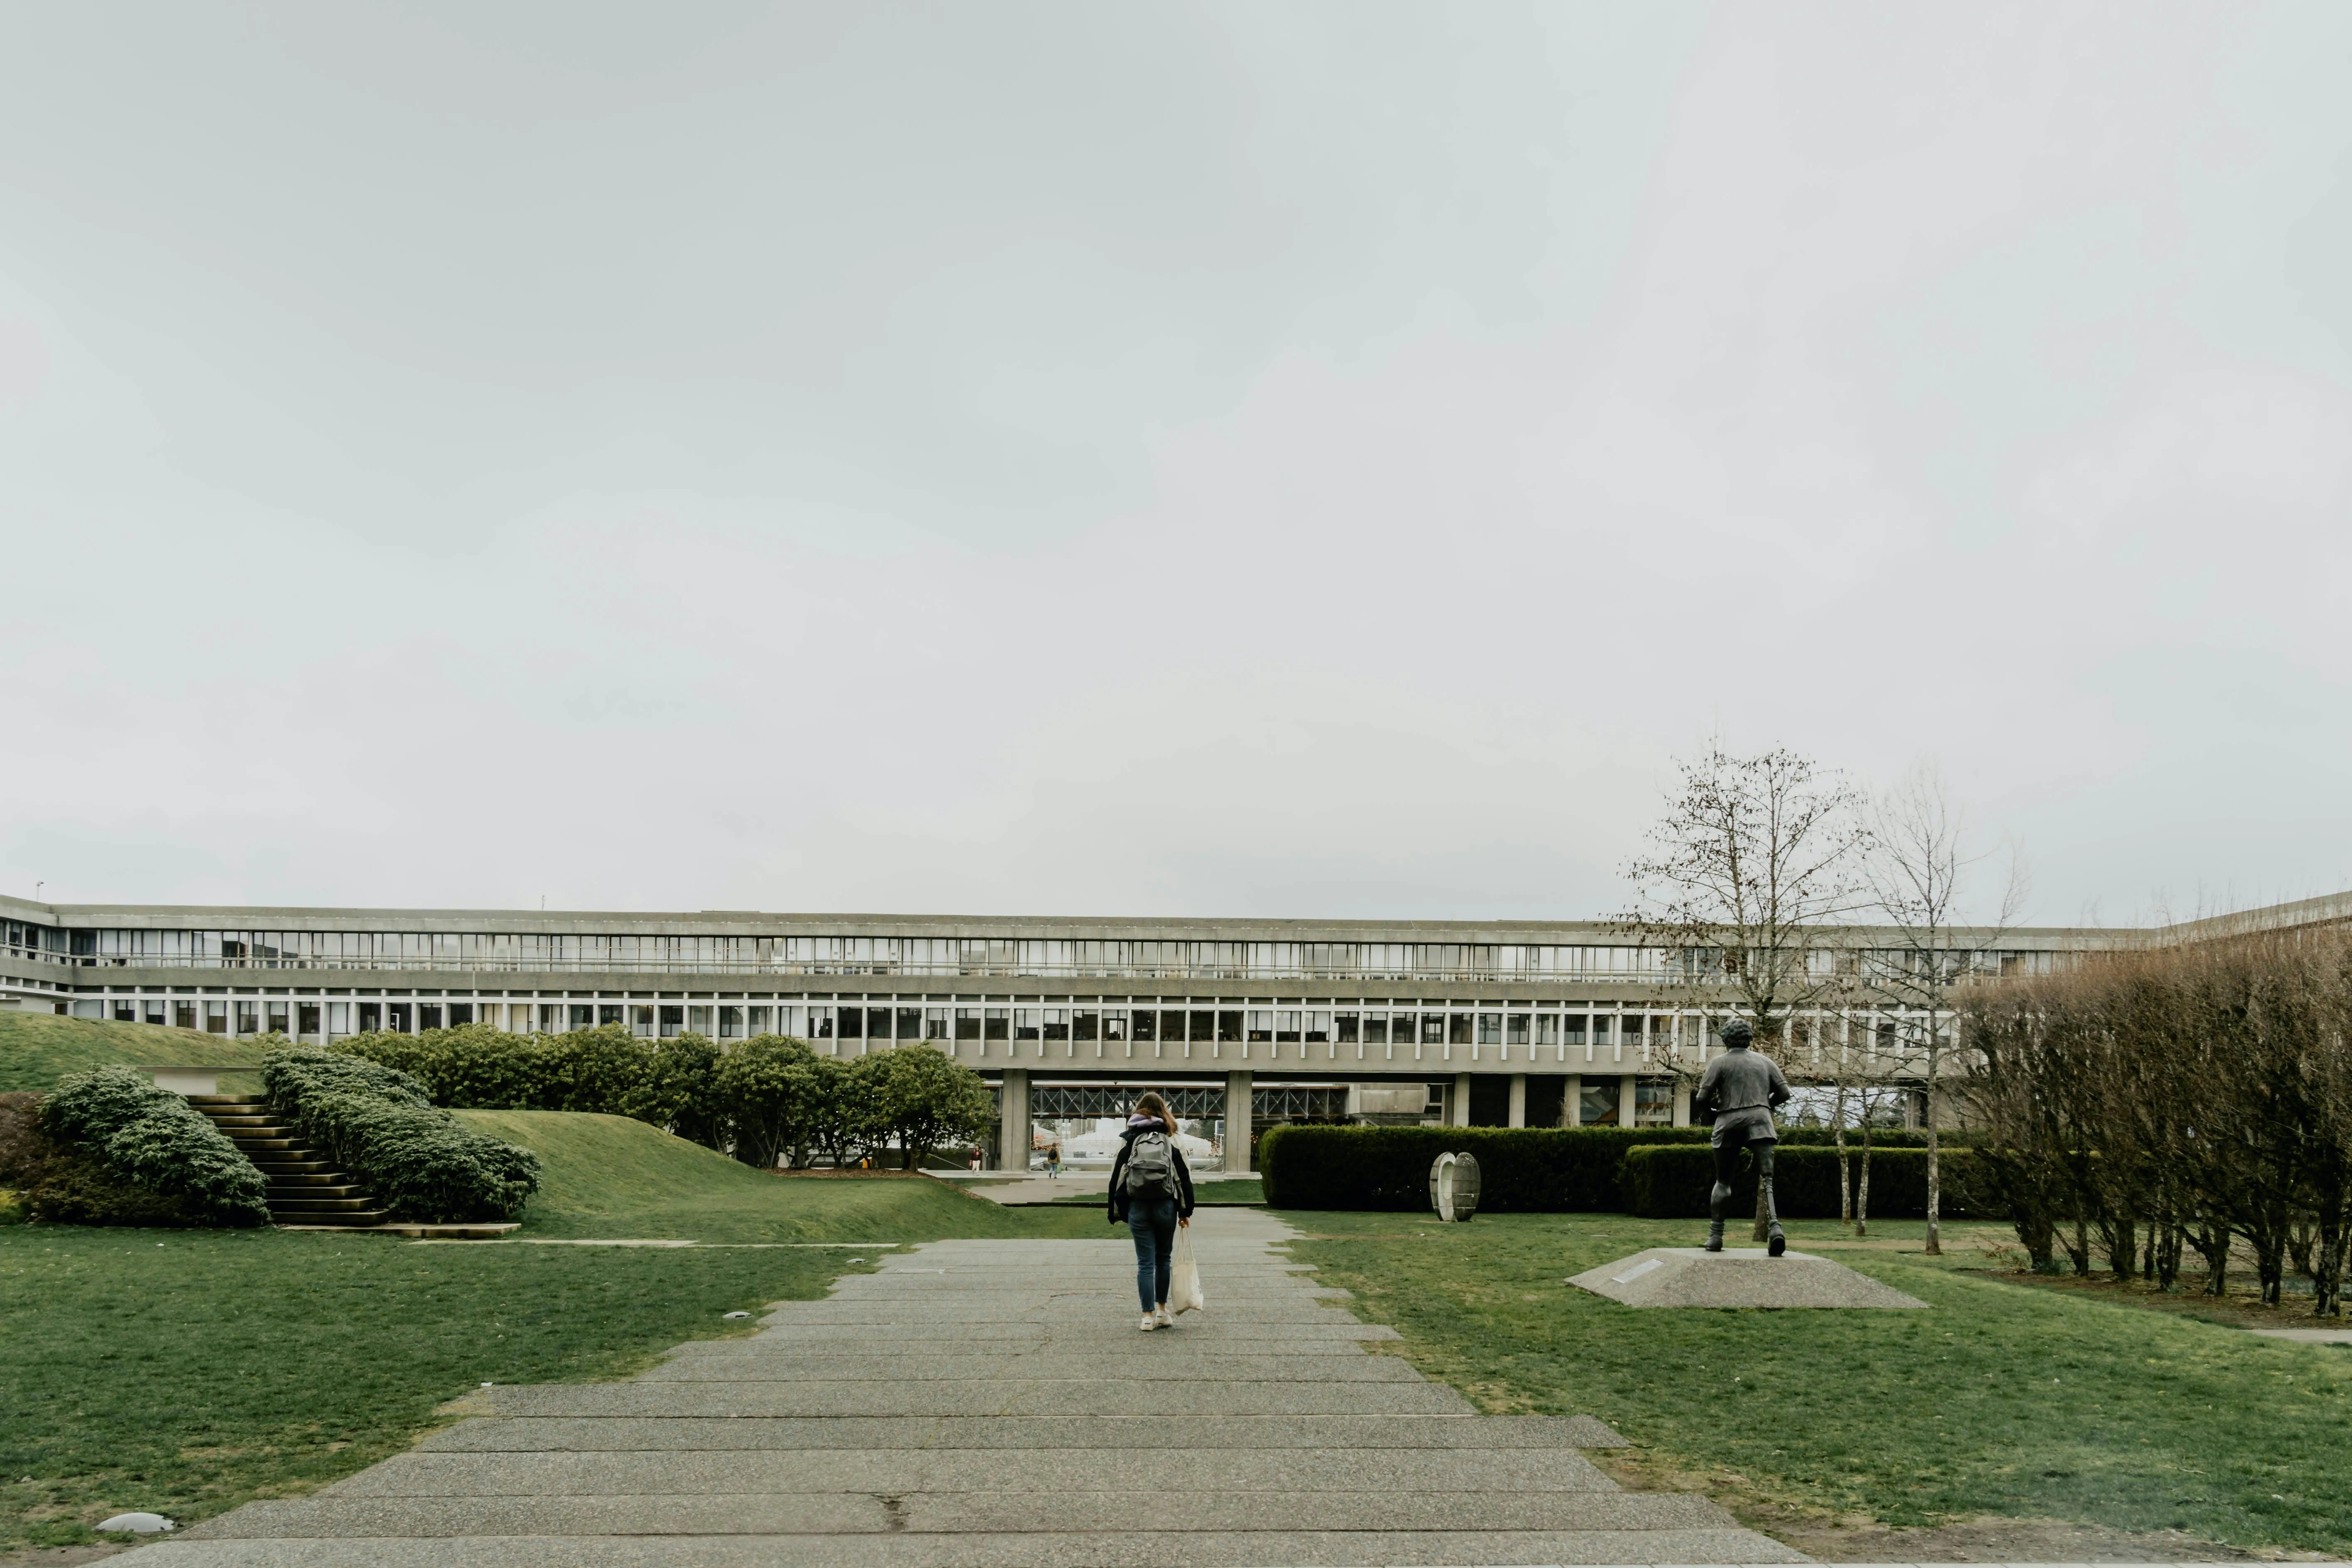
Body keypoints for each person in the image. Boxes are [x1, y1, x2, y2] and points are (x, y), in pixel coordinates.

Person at [1691, 1016, 1793, 1256]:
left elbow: (1701, 1099)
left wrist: (1713, 1115)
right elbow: (1785, 1093)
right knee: (1767, 1179)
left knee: (1723, 1181)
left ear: (1726, 1039)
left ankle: (1716, 1236)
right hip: (1760, 1119)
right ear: (1750, 1038)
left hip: (1728, 1121)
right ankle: (1775, 1228)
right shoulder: (1765, 1062)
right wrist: (1765, 1106)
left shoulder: (1719, 1063)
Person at [1107, 1092, 1195, 1329]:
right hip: (1166, 1206)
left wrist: (1116, 1210)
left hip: (1138, 1206)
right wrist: (1186, 1211)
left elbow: (1118, 1176)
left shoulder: (1129, 1138)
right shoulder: (1172, 1137)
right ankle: (1162, 1312)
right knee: (1163, 1259)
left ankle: (1146, 1316)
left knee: (1145, 1263)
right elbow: (1184, 1176)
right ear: (1164, 1110)